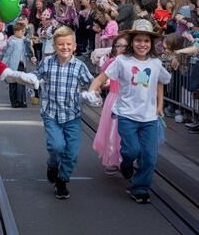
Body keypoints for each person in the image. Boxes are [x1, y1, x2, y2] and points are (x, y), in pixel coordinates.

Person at [88, 19, 170, 204]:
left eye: (146, 41)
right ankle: (126, 163)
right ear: (132, 42)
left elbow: (160, 81)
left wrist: (159, 105)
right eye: (139, 40)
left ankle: (140, 188)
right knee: (131, 150)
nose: (142, 44)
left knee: (149, 157)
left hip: (149, 118)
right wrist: (92, 90)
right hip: (126, 115)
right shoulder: (122, 61)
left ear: (151, 44)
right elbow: (101, 78)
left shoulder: (156, 63)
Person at [32, 26, 93, 200]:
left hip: (72, 115)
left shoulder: (79, 66)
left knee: (72, 153)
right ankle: (52, 164)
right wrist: (29, 80)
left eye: (68, 44)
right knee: (56, 146)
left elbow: (91, 83)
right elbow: (35, 77)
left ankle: (62, 179)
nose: (64, 47)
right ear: (54, 46)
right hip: (51, 113)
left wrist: (95, 92)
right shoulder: (47, 62)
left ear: (74, 46)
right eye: (60, 44)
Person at [92, 34, 129, 174]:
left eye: (125, 45)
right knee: (113, 130)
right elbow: (102, 78)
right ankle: (113, 159)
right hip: (114, 99)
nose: (122, 48)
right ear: (114, 48)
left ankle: (127, 158)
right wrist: (98, 88)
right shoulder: (112, 62)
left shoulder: (134, 62)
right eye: (118, 45)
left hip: (130, 100)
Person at [2, 21, 36, 108]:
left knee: (22, 82)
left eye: (24, 31)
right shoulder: (11, 41)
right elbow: (7, 54)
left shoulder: (25, 40)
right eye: (21, 31)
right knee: (13, 83)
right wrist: (2, 65)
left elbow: (29, 50)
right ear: (16, 31)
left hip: (22, 64)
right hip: (13, 65)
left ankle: (22, 101)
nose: (23, 33)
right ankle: (14, 101)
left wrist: (32, 57)